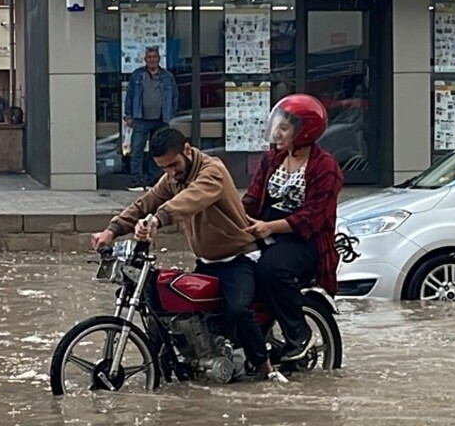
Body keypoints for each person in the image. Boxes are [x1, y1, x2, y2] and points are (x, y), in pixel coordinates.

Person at [91, 128, 285, 383]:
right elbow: (146, 203)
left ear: (187, 150)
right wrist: (112, 230)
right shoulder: (172, 178)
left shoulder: (212, 171)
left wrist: (157, 220)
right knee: (169, 307)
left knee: (238, 309)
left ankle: (265, 368)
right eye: (164, 168)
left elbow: (189, 200)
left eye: (173, 165)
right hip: (207, 262)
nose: (171, 173)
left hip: (239, 258)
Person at [243, 94, 343, 363]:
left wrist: (269, 227)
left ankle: (298, 333)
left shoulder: (326, 167)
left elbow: (311, 218)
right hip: (267, 227)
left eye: (284, 128)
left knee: (271, 269)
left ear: (304, 132)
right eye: (277, 125)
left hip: (304, 240)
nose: (277, 133)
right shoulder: (271, 159)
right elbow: (252, 199)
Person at [123, 46, 178, 192]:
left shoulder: (167, 77)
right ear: (145, 59)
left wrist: (170, 114)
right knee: (136, 151)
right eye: (149, 57)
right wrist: (128, 115)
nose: (152, 60)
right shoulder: (137, 76)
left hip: (161, 119)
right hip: (140, 119)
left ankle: (154, 180)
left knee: (158, 150)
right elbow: (130, 96)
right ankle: (137, 180)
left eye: (154, 57)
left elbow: (175, 97)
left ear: (159, 59)